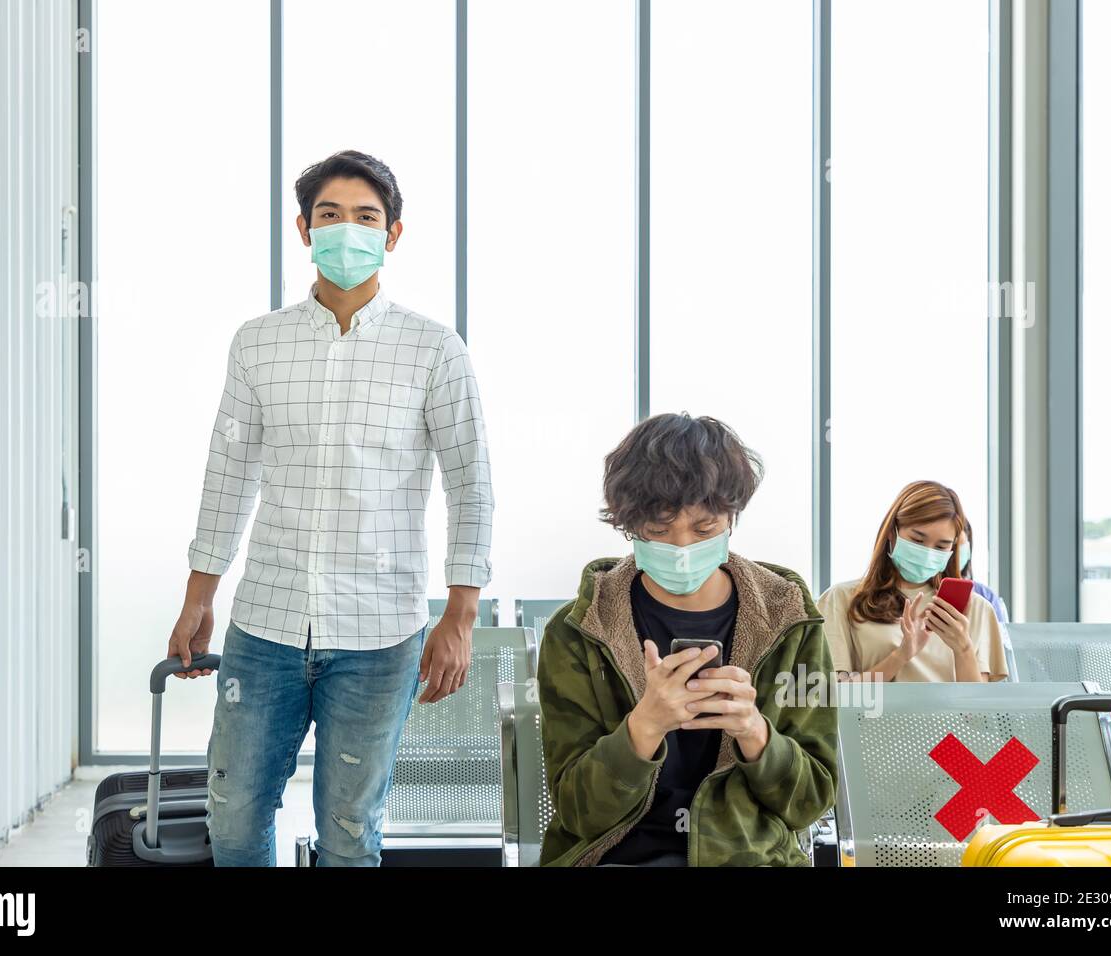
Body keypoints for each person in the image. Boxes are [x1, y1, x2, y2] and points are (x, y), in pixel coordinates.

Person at [166, 150, 495, 866]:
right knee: (234, 815)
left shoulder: (434, 349)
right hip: (267, 626)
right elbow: (229, 472)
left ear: (394, 234)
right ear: (304, 229)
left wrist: (460, 616)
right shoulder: (258, 343)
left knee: (350, 832)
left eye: (366, 217)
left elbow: (471, 482)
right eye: (330, 215)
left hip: (381, 634)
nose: (348, 229)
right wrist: (199, 596)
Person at [536, 413, 838, 867]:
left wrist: (755, 733)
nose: (680, 550)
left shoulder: (790, 623)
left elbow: (811, 802)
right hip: (617, 857)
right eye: (658, 532)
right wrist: (644, 727)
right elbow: (580, 814)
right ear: (629, 525)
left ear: (731, 518)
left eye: (704, 529)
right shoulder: (581, 631)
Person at [818, 480, 1008, 683]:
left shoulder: (977, 609)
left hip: (945, 716)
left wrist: (964, 648)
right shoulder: (841, 599)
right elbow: (834, 698)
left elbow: (978, 711)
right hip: (875, 716)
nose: (927, 553)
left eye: (941, 546)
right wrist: (901, 656)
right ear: (892, 532)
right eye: (918, 541)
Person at [957, 518, 1010, 623]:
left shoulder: (985, 596)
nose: (955, 554)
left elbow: (1001, 638)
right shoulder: (924, 592)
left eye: (961, 546)